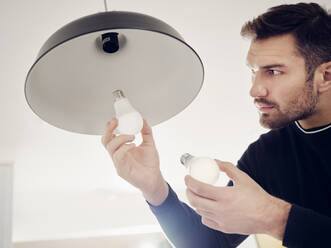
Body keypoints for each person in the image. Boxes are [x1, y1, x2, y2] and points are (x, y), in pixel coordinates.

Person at [101, 2, 331, 247]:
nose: (254, 89)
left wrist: (275, 217)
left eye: (273, 71)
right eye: (254, 71)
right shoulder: (268, 154)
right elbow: (210, 242)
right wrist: (154, 189)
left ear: (325, 76)